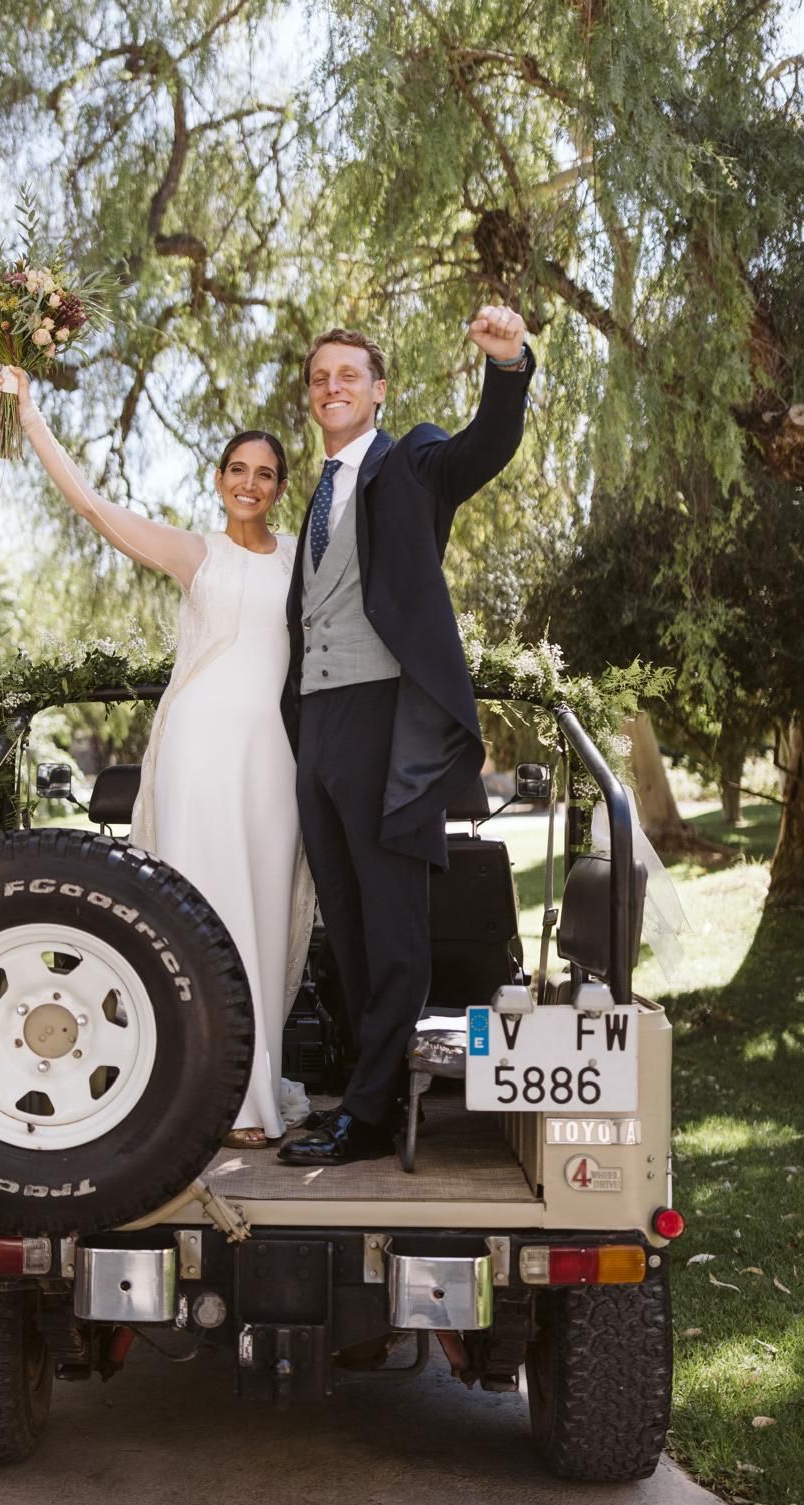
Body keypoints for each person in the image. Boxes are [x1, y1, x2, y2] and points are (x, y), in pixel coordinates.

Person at [0, 366, 314, 1148]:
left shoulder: (300, 556)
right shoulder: (194, 552)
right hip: (198, 748)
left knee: (266, 916)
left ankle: (252, 1090)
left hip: (269, 757)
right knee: (199, 913)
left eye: (264, 475)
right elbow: (93, 507)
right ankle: (197, 1094)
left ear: (278, 489)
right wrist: (30, 414)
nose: (250, 483)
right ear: (218, 480)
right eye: (238, 470)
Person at [276, 308, 535, 1167]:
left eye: (348, 375)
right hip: (317, 722)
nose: (332, 387)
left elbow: (481, 451)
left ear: (377, 390)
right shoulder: (317, 491)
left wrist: (507, 367)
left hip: (386, 715)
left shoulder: (410, 461)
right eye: (319, 378)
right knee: (343, 922)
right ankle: (363, 1091)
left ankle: (371, 1115)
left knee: (391, 927)